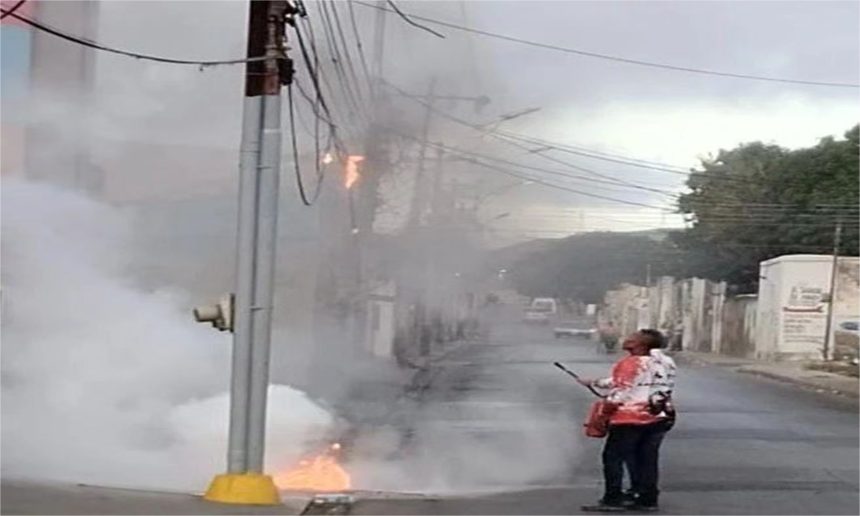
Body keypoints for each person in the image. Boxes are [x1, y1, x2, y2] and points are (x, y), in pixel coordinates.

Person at [578, 329, 677, 512]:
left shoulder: (630, 363)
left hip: (630, 418)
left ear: (641, 345)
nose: (626, 339)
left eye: (632, 338)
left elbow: (620, 392)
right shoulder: (665, 362)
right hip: (659, 417)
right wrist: (595, 382)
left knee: (613, 457)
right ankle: (647, 499)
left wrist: (603, 413)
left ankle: (613, 498)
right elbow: (633, 381)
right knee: (647, 459)